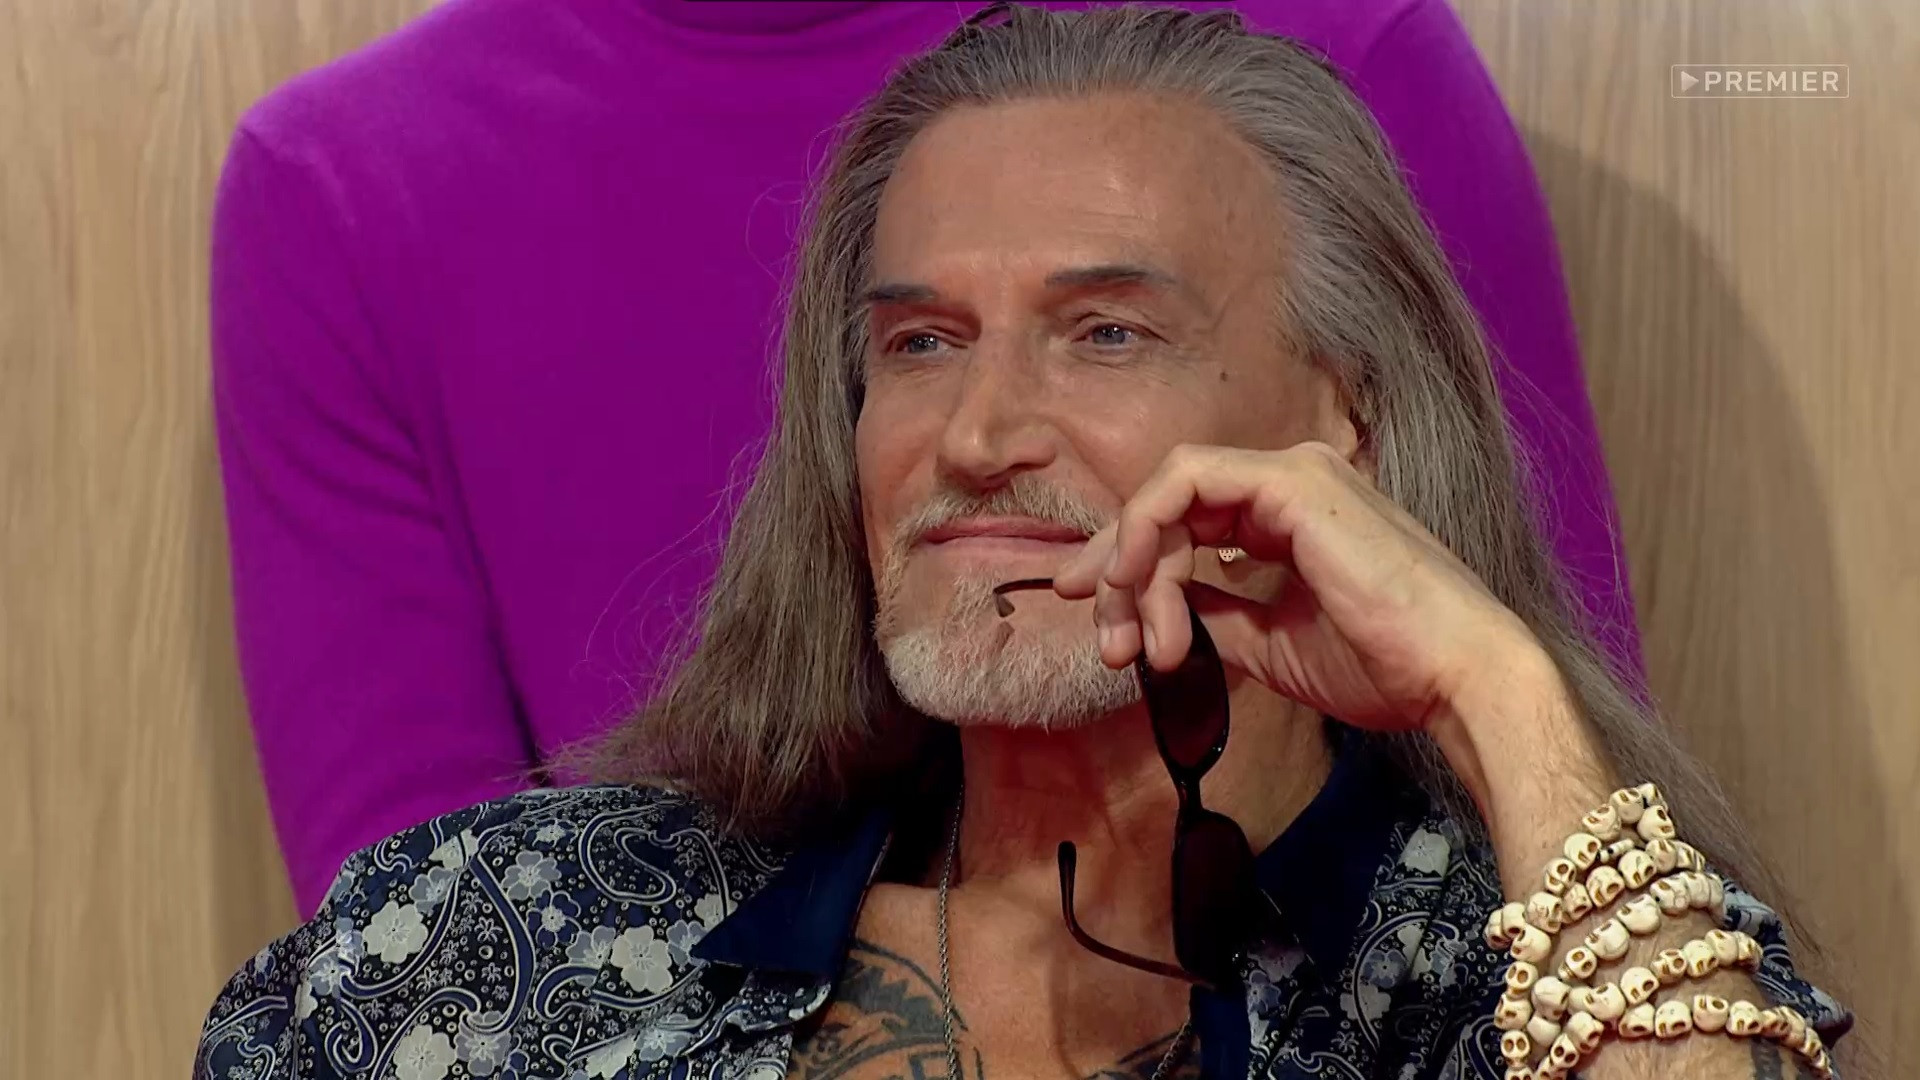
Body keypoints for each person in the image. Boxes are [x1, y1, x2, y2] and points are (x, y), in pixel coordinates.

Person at [197, 8, 1849, 1079]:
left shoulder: (1550, 979)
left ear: (1343, 417)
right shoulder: (492, 934)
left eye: (1106, 332)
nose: (979, 432)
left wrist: (1495, 685)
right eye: (918, 344)